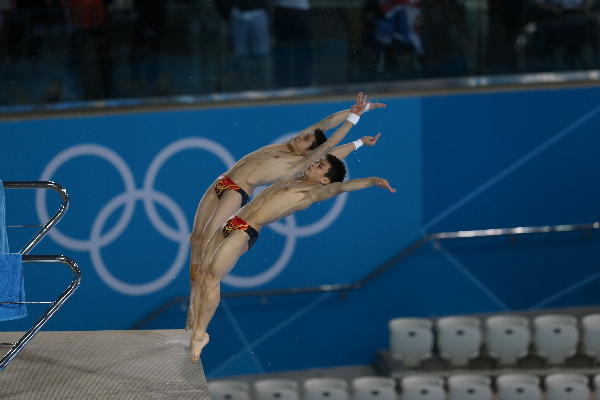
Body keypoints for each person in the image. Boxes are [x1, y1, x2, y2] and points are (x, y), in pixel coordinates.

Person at [186, 92, 386, 329]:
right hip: (223, 180)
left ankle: (194, 302)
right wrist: (364, 108)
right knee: (196, 239)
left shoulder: (299, 165)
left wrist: (355, 123)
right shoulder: (290, 145)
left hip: (236, 191)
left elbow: (331, 147)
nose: (301, 136)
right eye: (303, 135)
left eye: (305, 140)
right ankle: (195, 290)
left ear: (310, 154)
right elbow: (328, 122)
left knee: (209, 243)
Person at [189, 154, 396, 362]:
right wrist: (359, 144)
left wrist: (372, 181)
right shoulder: (296, 178)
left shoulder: (312, 193)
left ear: (325, 180)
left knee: (211, 280)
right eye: (317, 162)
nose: (314, 164)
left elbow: (341, 187)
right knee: (202, 274)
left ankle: (200, 335)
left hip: (244, 231)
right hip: (232, 222)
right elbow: (329, 150)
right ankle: (194, 319)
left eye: (320, 166)